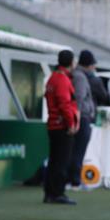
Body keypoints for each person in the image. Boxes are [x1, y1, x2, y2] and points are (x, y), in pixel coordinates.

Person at [43, 49, 79, 204]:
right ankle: (58, 193)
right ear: (71, 63)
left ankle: (50, 193)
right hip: (62, 126)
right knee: (62, 161)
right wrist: (71, 123)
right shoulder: (63, 80)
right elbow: (65, 104)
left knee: (54, 160)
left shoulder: (52, 78)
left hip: (53, 125)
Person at [68, 50, 97, 191]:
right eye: (92, 65)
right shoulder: (80, 77)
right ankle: (75, 182)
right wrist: (77, 118)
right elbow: (78, 98)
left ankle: (74, 180)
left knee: (76, 151)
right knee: (78, 151)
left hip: (80, 117)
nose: (94, 68)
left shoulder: (78, 75)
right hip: (81, 118)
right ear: (88, 65)